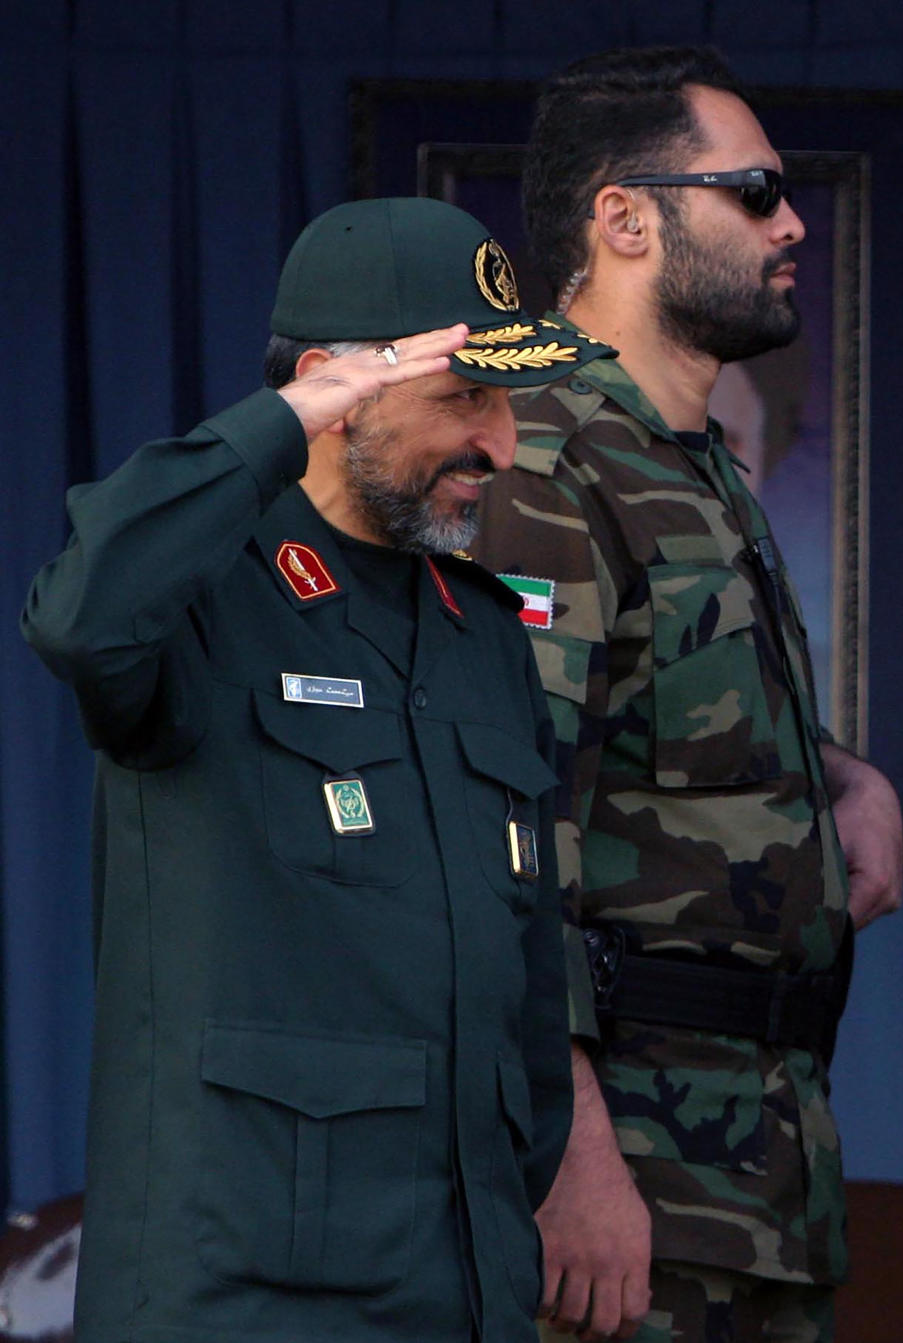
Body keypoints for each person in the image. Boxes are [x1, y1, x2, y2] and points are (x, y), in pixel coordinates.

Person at [21, 196, 617, 1343]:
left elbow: (525, 970)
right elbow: (78, 620)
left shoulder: (484, 627)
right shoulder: (200, 592)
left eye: (503, 400)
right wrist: (282, 422)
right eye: (462, 396)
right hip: (246, 1295)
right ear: (334, 389)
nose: (499, 443)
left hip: (465, 1285)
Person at [471, 47, 903, 1343]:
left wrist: (849, 776)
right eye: (758, 191)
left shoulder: (697, 461)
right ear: (625, 218)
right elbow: (504, 835)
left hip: (757, 1181)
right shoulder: (545, 455)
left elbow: (674, 726)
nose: (794, 224)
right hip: (629, 1202)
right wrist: (571, 1157)